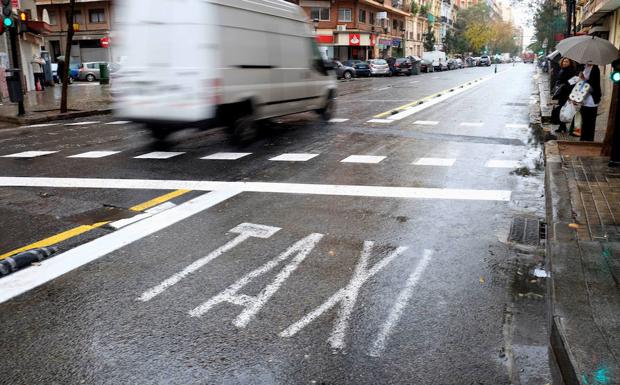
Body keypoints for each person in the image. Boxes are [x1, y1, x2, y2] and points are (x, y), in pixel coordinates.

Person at [578, 62, 601, 141]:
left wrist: (584, 79)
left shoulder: (595, 69)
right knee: (584, 121)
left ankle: (589, 140)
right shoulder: (584, 67)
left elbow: (594, 86)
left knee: (590, 122)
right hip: (584, 98)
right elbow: (581, 83)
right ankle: (583, 138)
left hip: (591, 99)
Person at [554, 57, 577, 133]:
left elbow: (572, 83)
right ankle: (562, 127)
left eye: (567, 62)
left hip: (567, 93)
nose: (564, 63)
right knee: (562, 109)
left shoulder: (571, 71)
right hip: (562, 92)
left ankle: (563, 127)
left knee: (564, 109)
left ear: (570, 63)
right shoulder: (562, 69)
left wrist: (570, 95)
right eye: (564, 61)